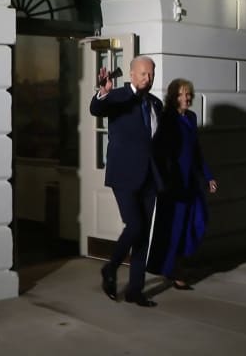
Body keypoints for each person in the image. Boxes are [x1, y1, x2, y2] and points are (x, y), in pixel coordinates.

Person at [89, 55, 163, 307]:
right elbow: (97, 109)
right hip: (124, 175)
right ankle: (110, 269)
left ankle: (135, 291)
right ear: (131, 74)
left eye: (151, 74)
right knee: (135, 226)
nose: (148, 78)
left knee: (143, 236)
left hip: (150, 177)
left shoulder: (156, 104)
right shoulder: (118, 97)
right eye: (143, 73)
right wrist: (102, 92)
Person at [147, 78, 217, 290]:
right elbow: (158, 151)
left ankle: (176, 267)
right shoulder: (167, 118)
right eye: (180, 94)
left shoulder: (192, 117)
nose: (185, 98)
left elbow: (196, 152)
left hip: (190, 182)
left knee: (194, 222)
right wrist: (163, 179)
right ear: (173, 97)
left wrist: (208, 176)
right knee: (174, 228)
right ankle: (175, 271)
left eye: (187, 94)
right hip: (172, 185)